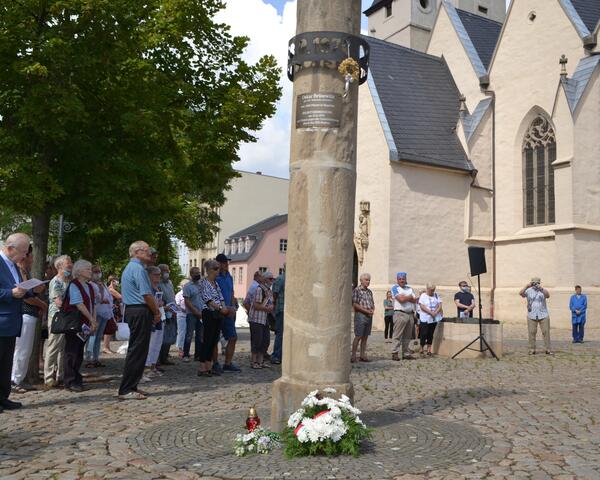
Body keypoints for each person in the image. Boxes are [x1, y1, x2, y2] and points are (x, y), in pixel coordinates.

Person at [118, 241, 160, 400]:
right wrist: (156, 311)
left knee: (139, 350)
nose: (150, 253)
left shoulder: (133, 268)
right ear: (137, 252)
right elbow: (146, 294)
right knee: (137, 350)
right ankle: (127, 388)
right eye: (147, 250)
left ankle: (132, 386)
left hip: (134, 310)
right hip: (139, 310)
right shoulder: (138, 269)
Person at [0, 233, 31, 413]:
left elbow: (18, 288)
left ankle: (3, 397)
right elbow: (8, 291)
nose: (25, 256)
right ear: (10, 248)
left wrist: (29, 290)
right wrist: (10, 294)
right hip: (2, 320)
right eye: (23, 251)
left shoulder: (14, 265)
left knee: (6, 363)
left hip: (12, 321)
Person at [11, 245, 47, 393]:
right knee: (21, 349)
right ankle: (14, 379)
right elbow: (26, 297)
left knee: (25, 349)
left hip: (30, 313)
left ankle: (19, 378)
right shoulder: (19, 271)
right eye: (30, 255)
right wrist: (42, 304)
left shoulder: (25, 272)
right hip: (25, 313)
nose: (31, 259)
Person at [62, 260, 98, 392]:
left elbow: (93, 304)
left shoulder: (89, 286)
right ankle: (70, 380)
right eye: (88, 269)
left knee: (79, 352)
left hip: (85, 324)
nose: (90, 271)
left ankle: (77, 377)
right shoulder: (74, 285)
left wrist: (93, 319)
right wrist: (91, 319)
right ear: (79, 271)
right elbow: (78, 304)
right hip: (75, 324)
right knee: (71, 352)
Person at [197, 260, 232, 376]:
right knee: (207, 340)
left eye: (218, 268)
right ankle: (202, 367)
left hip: (218, 314)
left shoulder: (215, 283)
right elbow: (208, 299)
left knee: (213, 340)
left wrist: (225, 307)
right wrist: (220, 308)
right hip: (209, 312)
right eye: (216, 268)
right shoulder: (203, 282)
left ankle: (209, 366)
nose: (218, 270)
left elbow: (220, 297)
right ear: (210, 270)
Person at [44, 255, 72, 388]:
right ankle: (48, 376)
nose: (70, 266)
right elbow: (58, 302)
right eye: (68, 264)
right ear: (60, 266)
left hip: (66, 318)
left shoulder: (68, 281)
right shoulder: (56, 282)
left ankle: (60, 375)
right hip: (57, 317)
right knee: (54, 346)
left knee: (63, 347)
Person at [215, 253, 241, 372]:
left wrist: (231, 307)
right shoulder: (215, 276)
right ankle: (215, 363)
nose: (227, 264)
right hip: (217, 310)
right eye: (225, 262)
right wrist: (222, 307)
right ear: (219, 263)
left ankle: (228, 363)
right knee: (214, 338)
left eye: (227, 262)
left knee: (233, 337)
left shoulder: (229, 276)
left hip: (228, 311)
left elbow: (231, 292)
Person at [84, 265, 113, 368]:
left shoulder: (102, 284)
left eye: (99, 271)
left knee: (98, 337)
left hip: (104, 313)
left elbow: (108, 297)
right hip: (95, 314)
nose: (98, 274)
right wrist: (101, 296)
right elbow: (94, 299)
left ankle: (96, 358)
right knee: (92, 337)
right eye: (95, 272)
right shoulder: (90, 284)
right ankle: (88, 358)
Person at [519, 277, 552, 355]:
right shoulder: (528, 290)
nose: (535, 284)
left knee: (546, 332)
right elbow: (521, 294)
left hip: (543, 314)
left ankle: (548, 349)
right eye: (533, 283)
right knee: (531, 332)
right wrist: (526, 286)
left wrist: (541, 288)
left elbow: (548, 295)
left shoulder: (542, 291)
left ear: (539, 283)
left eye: (537, 283)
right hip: (532, 314)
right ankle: (532, 349)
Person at [248, 271, 274, 369]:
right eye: (270, 279)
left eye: (273, 279)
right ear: (265, 279)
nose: (272, 281)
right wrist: (267, 308)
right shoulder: (259, 289)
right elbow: (255, 305)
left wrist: (271, 307)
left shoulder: (268, 291)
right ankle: (254, 361)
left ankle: (260, 361)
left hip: (265, 319)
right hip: (257, 318)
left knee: (265, 340)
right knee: (257, 341)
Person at [391, 272, 417, 361]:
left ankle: (406, 353)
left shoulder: (410, 289)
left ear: (405, 279)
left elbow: (415, 300)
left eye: (403, 279)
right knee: (397, 334)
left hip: (410, 313)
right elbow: (401, 300)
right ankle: (395, 352)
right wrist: (408, 297)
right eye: (400, 279)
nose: (402, 280)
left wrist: (407, 297)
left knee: (408, 335)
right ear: (397, 280)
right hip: (400, 313)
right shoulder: (395, 288)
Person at [145, 266, 165, 378]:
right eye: (156, 274)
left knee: (157, 343)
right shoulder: (148, 288)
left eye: (159, 275)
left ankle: (153, 366)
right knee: (150, 343)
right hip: (152, 316)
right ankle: (147, 368)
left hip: (160, 316)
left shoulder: (157, 287)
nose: (159, 277)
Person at [351, 273, 375, 363]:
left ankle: (362, 355)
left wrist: (372, 310)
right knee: (358, 336)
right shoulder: (357, 290)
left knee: (365, 337)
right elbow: (355, 304)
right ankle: (353, 355)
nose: (368, 281)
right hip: (361, 315)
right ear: (361, 280)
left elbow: (372, 303)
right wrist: (366, 311)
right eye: (366, 280)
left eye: (369, 280)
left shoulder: (369, 292)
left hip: (369, 315)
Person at [182, 267, 203, 362]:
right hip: (191, 314)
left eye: (198, 272)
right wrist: (195, 312)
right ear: (191, 274)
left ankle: (198, 355)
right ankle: (185, 354)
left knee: (200, 335)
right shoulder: (187, 286)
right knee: (189, 335)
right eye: (195, 273)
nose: (198, 274)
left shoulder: (202, 285)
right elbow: (187, 301)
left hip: (202, 314)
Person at [157, 264, 177, 365]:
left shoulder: (170, 283)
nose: (167, 273)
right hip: (163, 311)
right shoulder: (158, 283)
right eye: (164, 271)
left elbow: (172, 296)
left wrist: (174, 308)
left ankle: (165, 357)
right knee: (162, 337)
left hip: (172, 311)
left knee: (170, 336)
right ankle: (159, 358)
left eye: (167, 270)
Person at [418, 283, 443, 356]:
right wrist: (430, 312)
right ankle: (421, 347)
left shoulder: (436, 295)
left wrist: (435, 312)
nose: (432, 291)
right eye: (431, 290)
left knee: (430, 334)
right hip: (425, 318)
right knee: (424, 333)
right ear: (427, 289)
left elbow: (440, 305)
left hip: (433, 318)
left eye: (433, 290)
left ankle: (429, 349)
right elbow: (422, 306)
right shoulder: (423, 295)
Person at [271, 267, 286, 364]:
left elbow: (275, 294)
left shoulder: (282, 278)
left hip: (283, 309)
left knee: (281, 334)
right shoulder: (282, 279)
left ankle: (278, 355)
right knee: (280, 333)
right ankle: (277, 355)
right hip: (282, 309)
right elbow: (275, 294)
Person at [175, 279, 188, 355]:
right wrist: (183, 309)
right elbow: (176, 305)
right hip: (181, 315)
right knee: (181, 332)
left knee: (187, 333)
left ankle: (186, 349)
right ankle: (180, 349)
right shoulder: (179, 295)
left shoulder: (189, 294)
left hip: (189, 315)